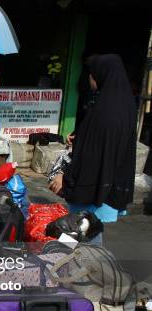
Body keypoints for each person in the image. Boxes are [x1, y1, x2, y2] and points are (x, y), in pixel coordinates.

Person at [49, 54, 137, 226]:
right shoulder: (125, 105)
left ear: (100, 76)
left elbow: (93, 154)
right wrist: (80, 135)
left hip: (91, 190)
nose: (89, 77)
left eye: (92, 73)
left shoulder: (105, 111)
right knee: (93, 232)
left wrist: (65, 177)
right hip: (110, 186)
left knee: (80, 233)